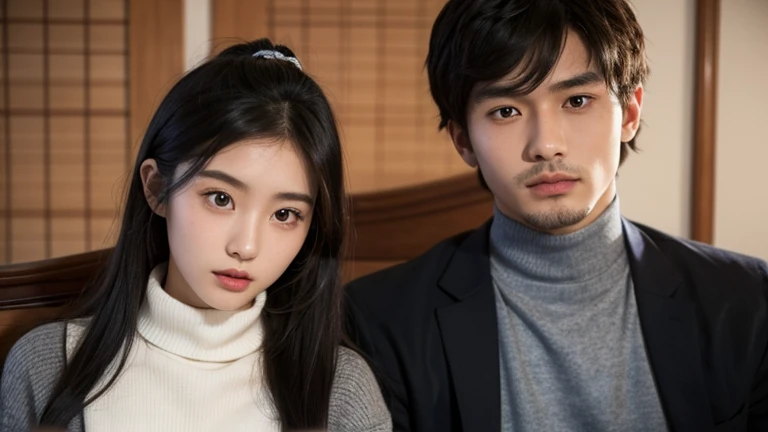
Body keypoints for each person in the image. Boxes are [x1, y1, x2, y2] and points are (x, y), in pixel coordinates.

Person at [345, 1, 768, 431]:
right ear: (463, 140)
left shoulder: (747, 302)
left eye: (577, 100)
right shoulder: (379, 321)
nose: (546, 145)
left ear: (631, 113)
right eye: (506, 111)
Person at [0, 38, 391, 432]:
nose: (246, 247)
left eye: (285, 213)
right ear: (156, 188)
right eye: (220, 198)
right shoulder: (48, 365)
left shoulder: (341, 390)